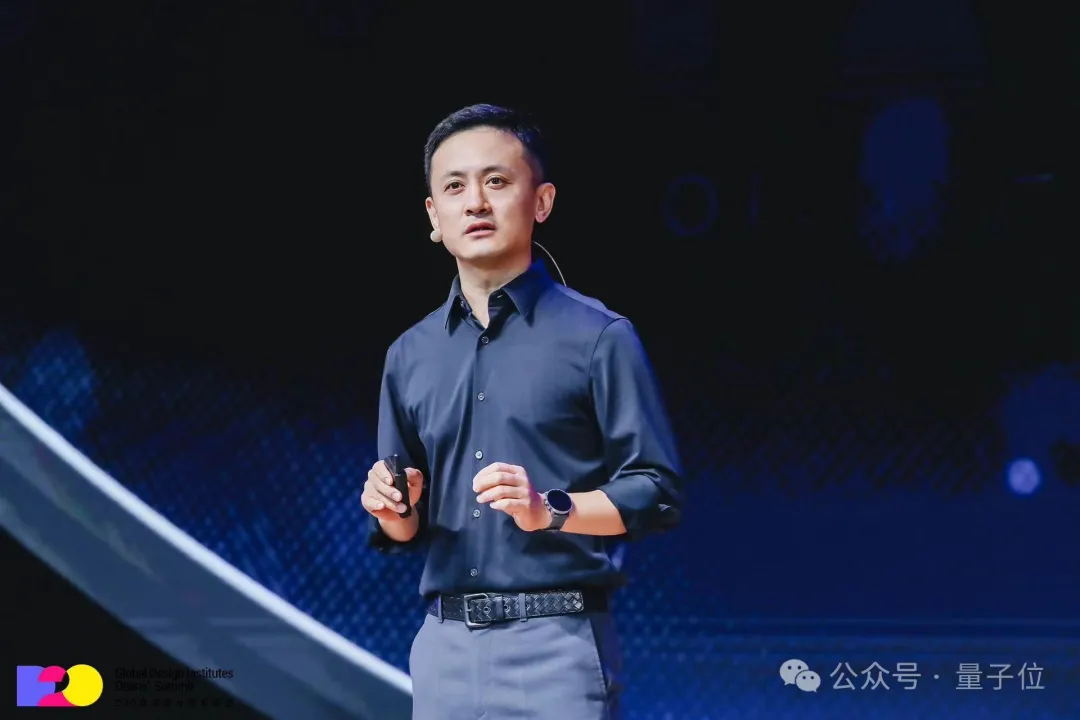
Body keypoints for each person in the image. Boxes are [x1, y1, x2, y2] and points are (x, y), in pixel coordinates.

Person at [361, 103, 683, 720]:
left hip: (556, 644)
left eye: (497, 181)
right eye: (454, 187)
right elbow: (406, 527)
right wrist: (392, 508)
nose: (475, 203)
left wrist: (549, 509)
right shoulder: (408, 354)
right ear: (433, 216)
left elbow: (657, 492)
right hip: (444, 648)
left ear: (542, 201)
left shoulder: (598, 337)